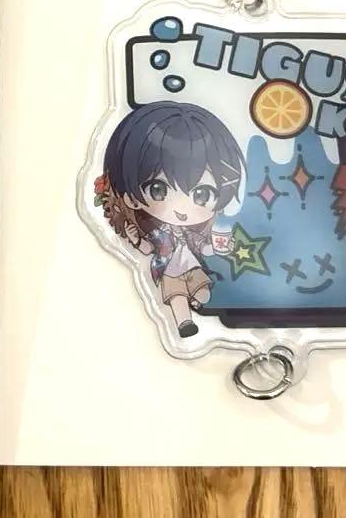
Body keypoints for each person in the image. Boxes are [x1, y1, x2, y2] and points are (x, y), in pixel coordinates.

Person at [99, 100, 245, 339]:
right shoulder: (157, 233)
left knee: (203, 294)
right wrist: (136, 240)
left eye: (202, 194)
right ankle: (185, 322)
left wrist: (222, 248)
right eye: (158, 189)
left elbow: (204, 248)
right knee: (176, 295)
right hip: (168, 270)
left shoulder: (193, 234)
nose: (181, 209)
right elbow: (147, 249)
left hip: (192, 266)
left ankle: (195, 304)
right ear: (131, 198)